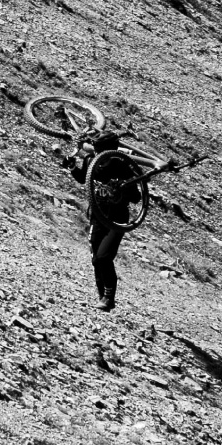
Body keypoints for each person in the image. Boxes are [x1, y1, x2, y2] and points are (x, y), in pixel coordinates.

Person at [65, 130, 145, 312]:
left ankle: (109, 298)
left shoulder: (121, 166)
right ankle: (102, 297)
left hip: (117, 219)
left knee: (103, 256)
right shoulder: (90, 161)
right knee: (96, 259)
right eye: (95, 149)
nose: (96, 152)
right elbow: (83, 178)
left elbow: (136, 197)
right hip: (98, 215)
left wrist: (121, 189)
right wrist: (72, 167)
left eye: (99, 149)